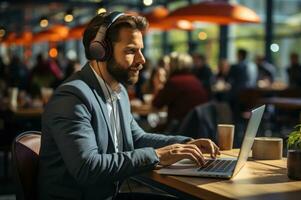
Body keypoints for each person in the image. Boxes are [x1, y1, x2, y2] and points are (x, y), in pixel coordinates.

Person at [38, 12, 219, 200]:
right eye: (131, 51)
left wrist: (185, 144)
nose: (142, 60)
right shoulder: (73, 97)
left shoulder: (119, 91)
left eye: (140, 50)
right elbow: (87, 168)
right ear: (100, 50)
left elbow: (136, 139)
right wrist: (156, 155)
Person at [152, 52, 209, 132]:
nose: (167, 67)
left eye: (169, 64)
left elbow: (157, 104)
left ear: (173, 65)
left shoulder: (174, 82)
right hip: (198, 128)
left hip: (179, 129)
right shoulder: (195, 80)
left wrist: (157, 85)